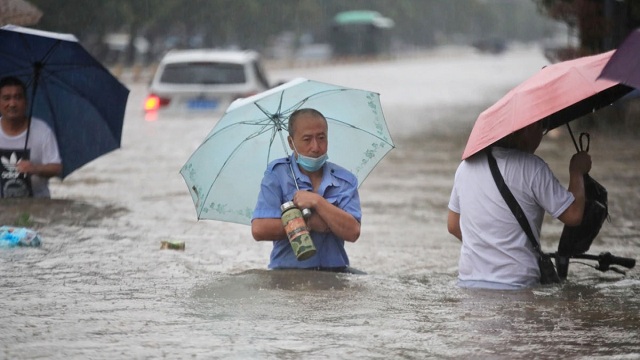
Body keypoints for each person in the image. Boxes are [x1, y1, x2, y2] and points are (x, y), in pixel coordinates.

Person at [447, 120, 592, 289]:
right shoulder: (533, 168)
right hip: (517, 285)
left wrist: (489, 248)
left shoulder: (465, 167)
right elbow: (573, 215)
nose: (540, 137)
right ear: (527, 129)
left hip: (469, 283)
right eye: (541, 129)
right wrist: (577, 172)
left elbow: (453, 225)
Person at [251, 108, 361, 271]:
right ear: (291, 142)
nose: (316, 147)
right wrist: (307, 222)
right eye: (307, 139)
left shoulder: (345, 180)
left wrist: (318, 202)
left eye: (321, 138)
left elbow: (353, 232)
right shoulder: (277, 175)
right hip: (287, 274)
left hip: (335, 273)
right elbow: (259, 229)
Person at [0, 76, 62, 198]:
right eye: (6, 98)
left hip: (37, 204)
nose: (12, 104)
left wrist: (35, 168)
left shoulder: (42, 130)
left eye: (18, 97)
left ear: (26, 102)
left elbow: (56, 167)